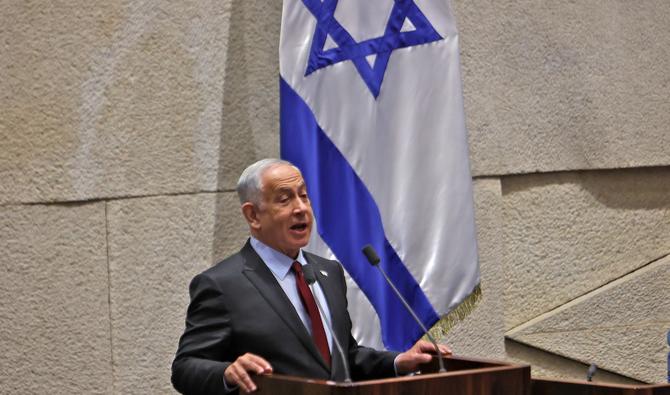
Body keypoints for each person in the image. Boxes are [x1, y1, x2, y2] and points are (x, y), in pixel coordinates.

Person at [172, 158, 450, 394]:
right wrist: (227, 373)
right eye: (284, 199)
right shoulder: (222, 284)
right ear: (253, 215)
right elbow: (185, 367)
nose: (301, 208)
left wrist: (397, 362)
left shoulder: (327, 272)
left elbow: (343, 356)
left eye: (303, 195)